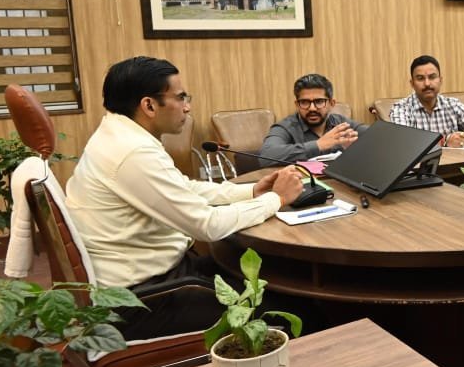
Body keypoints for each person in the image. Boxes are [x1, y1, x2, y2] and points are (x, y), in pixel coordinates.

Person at [65, 56, 304, 339]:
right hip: (141, 300)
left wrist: (251, 191)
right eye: (180, 97)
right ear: (149, 105)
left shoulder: (118, 134)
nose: (187, 107)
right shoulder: (133, 152)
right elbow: (207, 225)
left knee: (264, 270)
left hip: (148, 276)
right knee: (292, 309)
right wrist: (275, 200)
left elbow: (184, 188)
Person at [389, 55, 464, 147]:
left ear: (440, 80)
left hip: (453, 165)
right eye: (420, 78)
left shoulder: (452, 105)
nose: (427, 83)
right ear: (412, 84)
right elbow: (403, 142)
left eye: (432, 77)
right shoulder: (401, 108)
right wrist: (445, 141)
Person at [259, 73, 367, 166]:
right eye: (304, 102)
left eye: (319, 101)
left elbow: (374, 135)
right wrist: (318, 145)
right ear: (297, 105)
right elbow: (266, 156)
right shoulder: (285, 127)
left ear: (331, 103)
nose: (312, 108)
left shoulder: (341, 124)